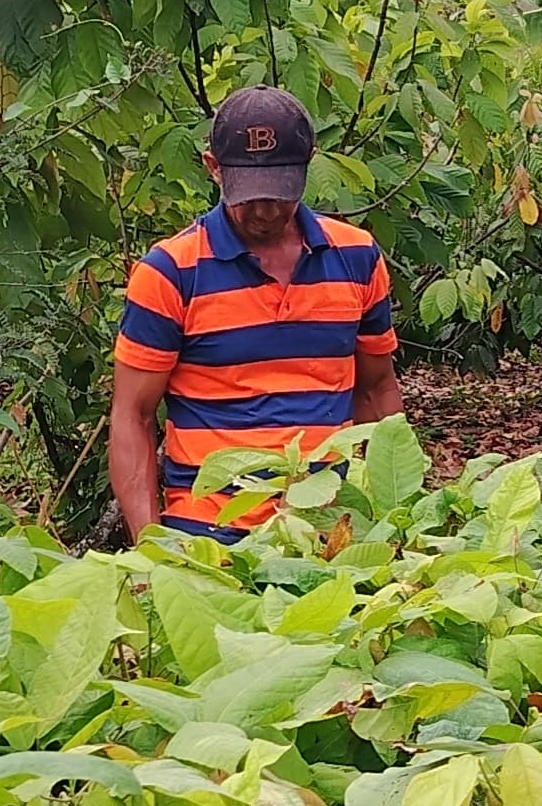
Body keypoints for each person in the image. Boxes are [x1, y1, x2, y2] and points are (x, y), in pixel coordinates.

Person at [111, 87, 403, 544]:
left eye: (280, 193)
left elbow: (376, 388)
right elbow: (133, 415)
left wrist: (394, 520)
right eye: (249, 195)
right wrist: (153, 549)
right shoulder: (170, 273)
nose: (265, 210)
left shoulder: (357, 256)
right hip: (209, 534)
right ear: (214, 168)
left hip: (330, 528)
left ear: (308, 163)